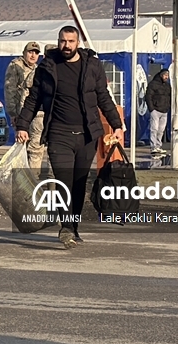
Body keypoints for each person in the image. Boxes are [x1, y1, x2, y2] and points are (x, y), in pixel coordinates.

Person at [15, 26, 125, 248]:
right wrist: (22, 125)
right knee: (63, 182)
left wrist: (117, 124)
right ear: (58, 42)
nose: (66, 45)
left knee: (78, 184)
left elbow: (103, 96)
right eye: (63, 41)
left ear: (78, 43)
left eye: (71, 41)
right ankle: (65, 227)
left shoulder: (92, 66)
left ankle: (73, 227)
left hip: (86, 135)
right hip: (58, 134)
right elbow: (33, 99)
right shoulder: (47, 67)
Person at [4, 41, 48, 177]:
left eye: (36, 53)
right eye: (30, 52)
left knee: (33, 147)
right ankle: (28, 181)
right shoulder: (16, 66)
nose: (33, 55)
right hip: (21, 112)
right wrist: (13, 113)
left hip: (35, 113)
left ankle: (29, 179)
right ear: (24, 53)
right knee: (25, 147)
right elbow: (9, 90)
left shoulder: (37, 68)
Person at [146, 69, 171, 155]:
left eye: (167, 75)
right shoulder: (153, 84)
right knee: (154, 129)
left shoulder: (167, 86)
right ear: (161, 75)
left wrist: (168, 106)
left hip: (164, 110)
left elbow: (170, 96)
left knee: (161, 130)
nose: (166, 77)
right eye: (165, 75)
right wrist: (151, 109)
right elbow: (148, 96)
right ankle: (153, 147)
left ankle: (158, 146)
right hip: (156, 110)